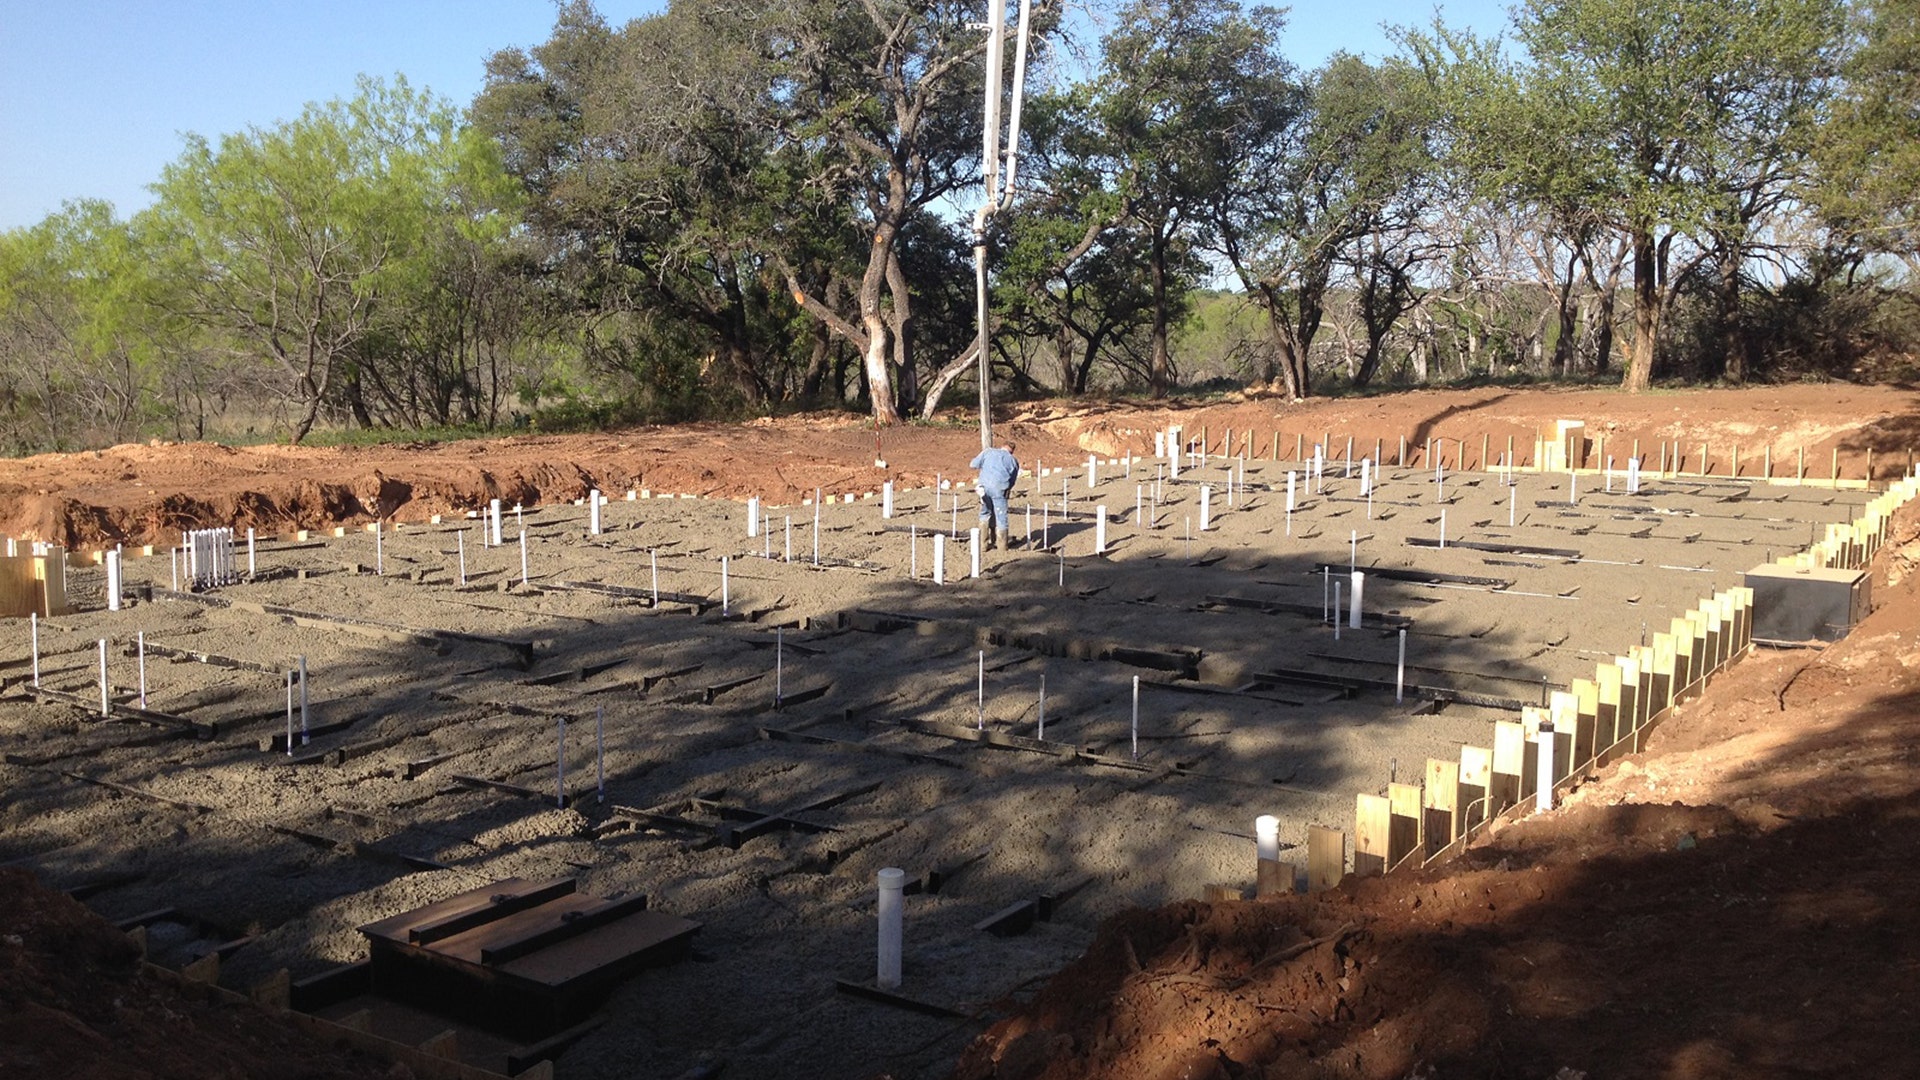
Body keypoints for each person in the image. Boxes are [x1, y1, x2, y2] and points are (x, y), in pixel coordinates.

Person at [970, 438, 1021, 550]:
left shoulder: (988, 452)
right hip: (1000, 489)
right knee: (1001, 516)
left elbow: (973, 464)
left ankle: (983, 545)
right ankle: (1002, 547)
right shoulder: (1013, 461)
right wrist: (1007, 489)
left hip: (983, 488)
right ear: (1012, 451)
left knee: (985, 513)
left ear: (1002, 446)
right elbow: (1012, 481)